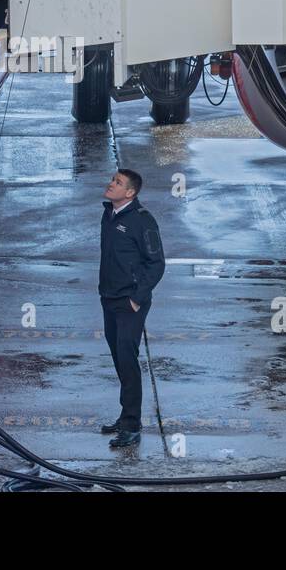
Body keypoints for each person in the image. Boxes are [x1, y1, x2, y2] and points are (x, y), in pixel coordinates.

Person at [98, 169, 166, 449]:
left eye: (118, 183)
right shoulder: (109, 214)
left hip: (129, 303)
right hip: (109, 298)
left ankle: (131, 426)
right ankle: (125, 416)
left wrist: (137, 298)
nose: (111, 184)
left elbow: (157, 263)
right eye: (113, 180)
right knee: (118, 358)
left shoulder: (142, 221)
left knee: (128, 360)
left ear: (131, 193)